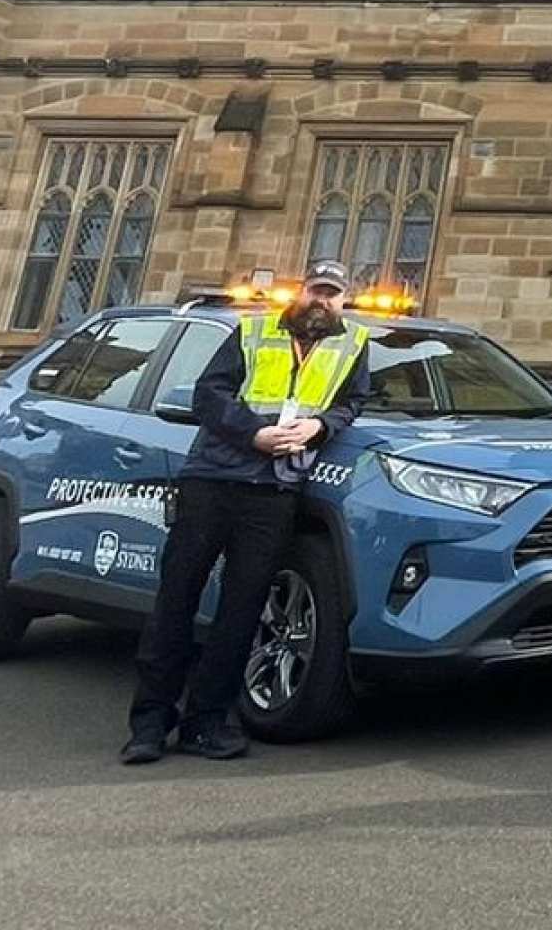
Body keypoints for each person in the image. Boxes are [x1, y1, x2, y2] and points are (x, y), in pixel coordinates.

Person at [121, 260, 371, 765]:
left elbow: (351, 403)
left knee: (241, 611)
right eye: (316, 291)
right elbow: (208, 395)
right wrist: (253, 433)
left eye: (333, 294)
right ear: (300, 294)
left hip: (274, 492)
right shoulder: (253, 331)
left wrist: (320, 427)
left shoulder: (354, 345)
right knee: (177, 599)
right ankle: (149, 724)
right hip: (214, 478)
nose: (322, 301)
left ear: (344, 301)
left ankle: (206, 723)